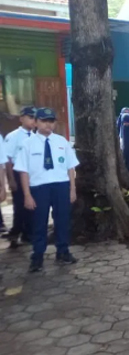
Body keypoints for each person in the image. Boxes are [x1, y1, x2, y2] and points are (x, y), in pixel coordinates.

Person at [14, 108, 78, 273]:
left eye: (51, 121)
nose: (48, 124)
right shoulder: (27, 144)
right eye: (44, 121)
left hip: (61, 186)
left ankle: (63, 251)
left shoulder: (61, 142)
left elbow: (71, 167)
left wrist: (72, 189)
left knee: (62, 220)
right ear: (36, 122)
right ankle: (37, 257)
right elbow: (23, 171)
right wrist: (27, 195)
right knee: (39, 222)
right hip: (39, 188)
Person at [3, 107, 36, 248]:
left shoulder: (36, 136)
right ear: (21, 118)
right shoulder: (13, 136)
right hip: (17, 173)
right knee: (20, 205)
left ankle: (27, 233)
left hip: (32, 174)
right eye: (29, 117)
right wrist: (11, 179)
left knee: (32, 205)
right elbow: (8, 159)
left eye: (34, 118)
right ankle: (15, 232)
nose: (32, 121)